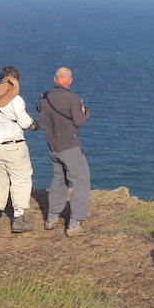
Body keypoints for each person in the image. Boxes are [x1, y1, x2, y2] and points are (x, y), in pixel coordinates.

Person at [0, 66, 40, 233]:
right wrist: (35, 124)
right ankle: (18, 219)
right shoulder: (16, 100)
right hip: (14, 145)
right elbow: (24, 122)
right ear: (16, 80)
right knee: (21, 179)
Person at [36, 67, 91, 237]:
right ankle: (74, 223)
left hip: (53, 146)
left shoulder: (44, 98)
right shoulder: (72, 98)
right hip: (69, 146)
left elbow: (40, 110)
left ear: (55, 79)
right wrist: (81, 109)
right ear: (70, 80)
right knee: (81, 181)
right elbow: (79, 122)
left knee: (59, 179)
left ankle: (52, 217)